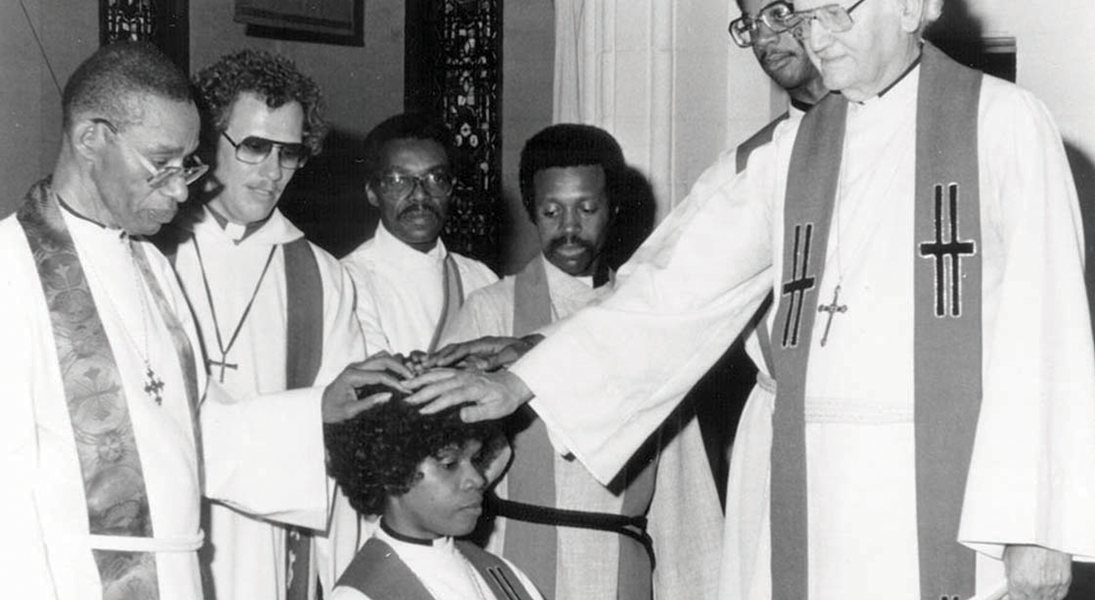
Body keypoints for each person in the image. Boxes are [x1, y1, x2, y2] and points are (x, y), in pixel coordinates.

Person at [407, 1, 1095, 599]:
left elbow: (1048, 329)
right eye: (805, 15)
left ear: (914, 6)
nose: (814, 37)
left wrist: (1038, 524)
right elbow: (675, 287)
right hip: (812, 488)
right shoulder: (794, 148)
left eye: (835, 14)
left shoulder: (1000, 122)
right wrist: (525, 380)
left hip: (947, 492)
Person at [0, 41, 393, 600]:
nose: (183, 188)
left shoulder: (150, 265)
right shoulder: (12, 269)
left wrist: (317, 410)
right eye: (161, 163)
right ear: (91, 139)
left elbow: (198, 429)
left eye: (186, 164)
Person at [433, 123, 723, 600]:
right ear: (532, 209)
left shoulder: (648, 317)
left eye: (587, 209)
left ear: (613, 207)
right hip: (509, 555)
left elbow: (681, 490)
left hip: (615, 564)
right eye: (552, 211)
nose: (569, 227)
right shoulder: (489, 311)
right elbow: (441, 456)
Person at [159, 49, 406, 600]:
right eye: (254, 146)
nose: (272, 172)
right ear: (207, 139)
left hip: (270, 543)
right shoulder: (152, 250)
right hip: (163, 530)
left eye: (289, 153)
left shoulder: (321, 276)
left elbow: (344, 444)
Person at [324, 387, 545, 600]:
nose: (477, 479)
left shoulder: (504, 575)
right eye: (449, 464)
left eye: (476, 459)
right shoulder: (360, 594)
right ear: (390, 470)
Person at [341, 113, 498, 358]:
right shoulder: (348, 280)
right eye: (398, 180)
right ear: (372, 192)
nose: (420, 195)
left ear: (451, 187)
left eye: (436, 178)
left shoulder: (480, 277)